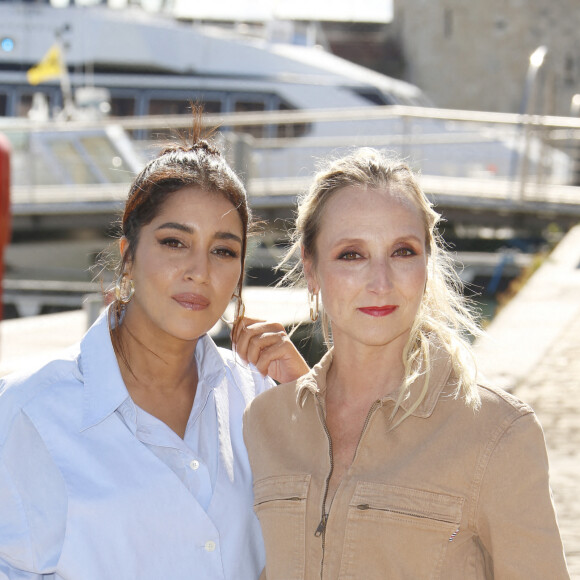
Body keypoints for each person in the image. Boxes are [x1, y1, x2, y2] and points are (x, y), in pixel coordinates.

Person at [0, 114, 308, 580]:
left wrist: (307, 404)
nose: (199, 270)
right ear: (128, 256)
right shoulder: (28, 413)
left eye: (223, 250)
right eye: (174, 242)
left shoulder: (262, 397)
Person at [243, 148, 570, 579]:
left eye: (402, 251)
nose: (381, 282)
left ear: (427, 263)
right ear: (311, 268)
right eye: (351, 254)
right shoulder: (265, 423)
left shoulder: (497, 433)